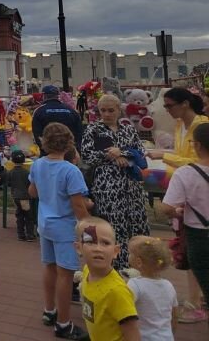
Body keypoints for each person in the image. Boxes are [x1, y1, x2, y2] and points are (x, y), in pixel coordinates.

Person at [146, 87, 208, 324]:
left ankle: (197, 302)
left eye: (169, 105)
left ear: (184, 104)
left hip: (194, 196)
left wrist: (165, 156)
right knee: (191, 255)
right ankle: (196, 299)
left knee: (196, 255)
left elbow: (197, 160)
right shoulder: (180, 125)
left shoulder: (201, 126)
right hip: (187, 194)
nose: (167, 110)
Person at [28, 123, 90, 340]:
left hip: (45, 224)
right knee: (66, 274)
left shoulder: (37, 164)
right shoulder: (71, 171)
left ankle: (49, 310)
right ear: (69, 143)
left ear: (44, 142)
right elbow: (78, 205)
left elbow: (32, 192)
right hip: (64, 227)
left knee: (49, 267)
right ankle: (63, 324)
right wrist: (89, 230)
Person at [81, 93, 150, 269]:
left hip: (131, 186)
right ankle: (116, 267)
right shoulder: (93, 130)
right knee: (113, 228)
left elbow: (140, 151)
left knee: (137, 225)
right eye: (103, 110)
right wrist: (110, 155)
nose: (106, 114)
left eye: (111, 110)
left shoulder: (128, 129)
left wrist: (123, 152)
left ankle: (139, 266)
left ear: (119, 110)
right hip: (107, 188)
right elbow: (87, 156)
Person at [161, 122, 209, 325]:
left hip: (198, 235)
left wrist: (177, 211)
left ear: (196, 145)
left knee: (203, 275)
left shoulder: (185, 173)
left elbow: (167, 207)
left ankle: (198, 307)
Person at [75, 217, 140, 341]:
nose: (98, 248)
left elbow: (133, 335)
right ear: (79, 248)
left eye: (105, 243)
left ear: (115, 251)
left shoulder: (117, 291)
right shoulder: (87, 271)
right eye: (90, 242)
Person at [126, 235, 178, 341]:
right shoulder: (169, 285)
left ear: (139, 262)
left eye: (131, 253)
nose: (128, 255)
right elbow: (174, 315)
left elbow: (124, 310)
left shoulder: (134, 285)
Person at [32, 85, 83, 152]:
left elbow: (37, 134)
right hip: (69, 151)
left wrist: (45, 150)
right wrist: (76, 149)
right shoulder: (71, 110)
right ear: (57, 96)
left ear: (44, 96)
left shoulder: (39, 111)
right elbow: (79, 132)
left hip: (49, 153)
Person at [5, 150, 35, 241]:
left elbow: (8, 183)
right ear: (24, 160)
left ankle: (21, 234)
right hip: (25, 197)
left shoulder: (10, 172)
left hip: (15, 196)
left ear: (12, 160)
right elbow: (30, 184)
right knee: (28, 216)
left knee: (19, 215)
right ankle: (30, 234)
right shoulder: (26, 173)